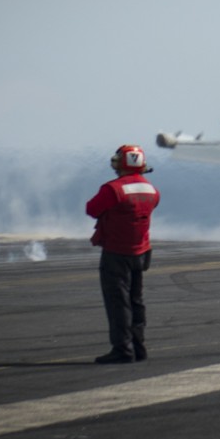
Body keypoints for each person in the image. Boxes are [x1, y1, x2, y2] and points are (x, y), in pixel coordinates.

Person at [86, 144, 160, 364]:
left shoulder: (113, 189)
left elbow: (91, 209)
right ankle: (138, 347)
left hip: (116, 253)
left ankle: (123, 349)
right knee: (136, 300)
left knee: (118, 302)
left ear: (121, 163)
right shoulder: (151, 190)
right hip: (141, 252)